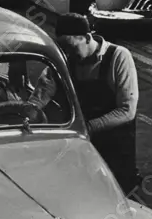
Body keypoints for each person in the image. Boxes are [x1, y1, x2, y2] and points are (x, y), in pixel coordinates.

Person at [55, 14, 140, 193]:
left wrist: (89, 127)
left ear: (87, 38)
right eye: (63, 49)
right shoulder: (68, 58)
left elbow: (127, 109)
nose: (67, 54)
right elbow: (44, 88)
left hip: (115, 146)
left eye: (71, 47)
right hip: (84, 144)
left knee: (118, 193)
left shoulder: (119, 57)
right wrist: (29, 110)